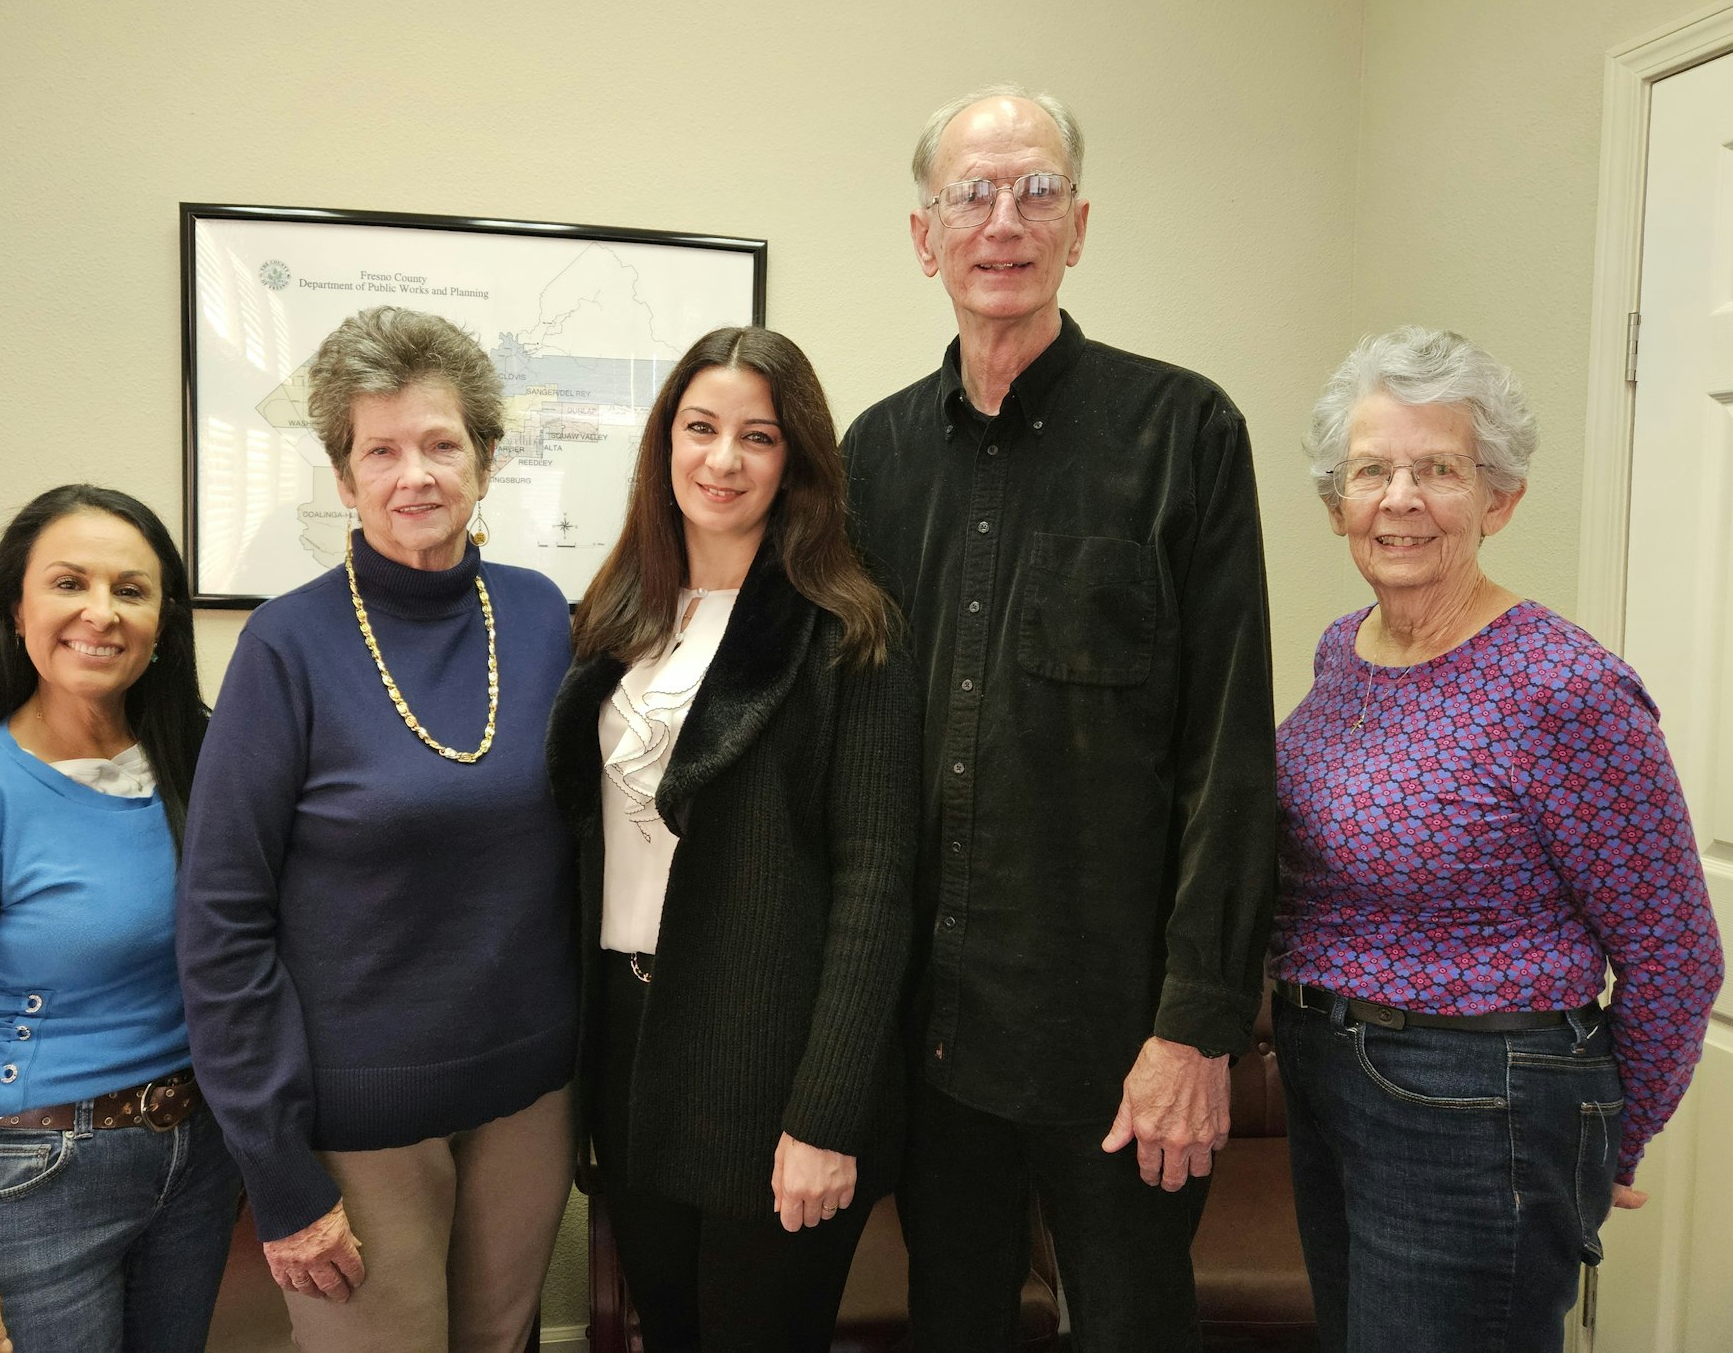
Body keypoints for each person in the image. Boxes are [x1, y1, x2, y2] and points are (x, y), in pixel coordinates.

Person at [839, 84, 1277, 1351]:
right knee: (954, 1322)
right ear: (924, 236)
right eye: (969, 193)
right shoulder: (872, 459)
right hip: (930, 1045)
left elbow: (1224, 757)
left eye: (1034, 190)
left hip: (1117, 1046)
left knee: (1133, 1325)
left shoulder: (1182, 433)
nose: (1003, 220)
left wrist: (1195, 1031)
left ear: (1077, 226)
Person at [1271, 325, 1723, 1352]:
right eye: (1371, 470)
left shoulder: (1563, 689)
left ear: (1497, 498)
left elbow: (1674, 953)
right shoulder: (1342, 650)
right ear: (1333, 501)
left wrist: (1607, 1135)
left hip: (1473, 1108)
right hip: (1325, 1078)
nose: (1398, 498)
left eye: (1437, 469)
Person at [177, 306, 576, 1353]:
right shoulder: (285, 646)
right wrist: (276, 1173)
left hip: (529, 1102)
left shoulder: (544, 617)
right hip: (355, 1126)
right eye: (381, 450)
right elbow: (220, 924)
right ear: (344, 479)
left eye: (442, 443)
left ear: (484, 461)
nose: (416, 475)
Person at [546, 326, 920, 1353]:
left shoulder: (848, 630)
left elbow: (876, 885)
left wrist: (825, 1116)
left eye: (756, 437)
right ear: (664, 442)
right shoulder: (612, 619)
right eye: (699, 428)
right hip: (631, 1050)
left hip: (769, 1060)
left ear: (794, 460)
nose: (722, 460)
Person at [0, 485, 241, 1353]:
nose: (100, 614)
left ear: (164, 623)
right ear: (15, 611)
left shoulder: (203, 765)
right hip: (33, 1176)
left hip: (199, 1159)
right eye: (70, 583)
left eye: (131, 591)